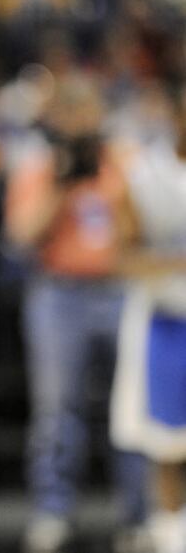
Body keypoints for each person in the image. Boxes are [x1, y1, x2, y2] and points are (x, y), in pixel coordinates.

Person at [3, 74, 148, 553]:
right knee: (56, 412)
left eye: (87, 111)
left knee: (131, 411)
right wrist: (62, 183)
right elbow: (20, 237)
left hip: (120, 291)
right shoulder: (40, 166)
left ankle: (139, 517)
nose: (81, 121)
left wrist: (118, 181)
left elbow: (144, 228)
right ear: (57, 120)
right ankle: (53, 513)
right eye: (71, 112)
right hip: (59, 295)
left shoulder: (123, 162)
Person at [109, 93, 186, 553]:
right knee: (165, 438)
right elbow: (124, 256)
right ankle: (166, 526)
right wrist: (175, 261)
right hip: (166, 316)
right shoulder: (145, 175)